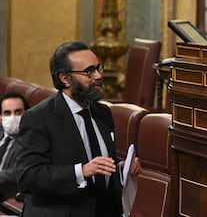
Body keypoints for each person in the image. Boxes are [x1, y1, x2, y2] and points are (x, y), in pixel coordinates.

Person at [15, 41, 140, 217]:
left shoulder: (103, 112)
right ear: (65, 78)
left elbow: (98, 162)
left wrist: (121, 169)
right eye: (89, 71)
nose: (98, 76)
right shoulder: (39, 118)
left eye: (98, 68)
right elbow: (27, 177)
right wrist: (80, 171)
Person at [0, 92, 29, 202]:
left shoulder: (31, 141)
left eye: (18, 112)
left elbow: (17, 171)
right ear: (1, 118)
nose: (12, 118)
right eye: (7, 113)